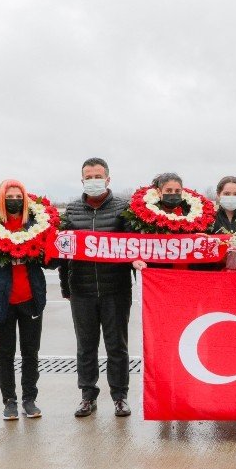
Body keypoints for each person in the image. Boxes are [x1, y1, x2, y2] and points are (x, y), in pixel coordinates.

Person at [60, 158, 135, 418]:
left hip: (116, 290)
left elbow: (135, 246)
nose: (93, 180)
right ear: (82, 180)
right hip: (81, 290)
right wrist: (65, 287)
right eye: (88, 177)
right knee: (86, 346)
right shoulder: (71, 211)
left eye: (98, 176)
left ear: (108, 179)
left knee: (117, 346)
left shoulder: (124, 209)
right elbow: (63, 254)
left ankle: (120, 396)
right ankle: (87, 395)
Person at [0, 179, 48, 421]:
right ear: (1, 199)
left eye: (19, 196)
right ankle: (9, 400)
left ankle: (29, 399)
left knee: (30, 353)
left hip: (30, 299)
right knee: (5, 354)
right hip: (1, 302)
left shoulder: (37, 224)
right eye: (10, 195)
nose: (14, 199)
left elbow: (50, 259)